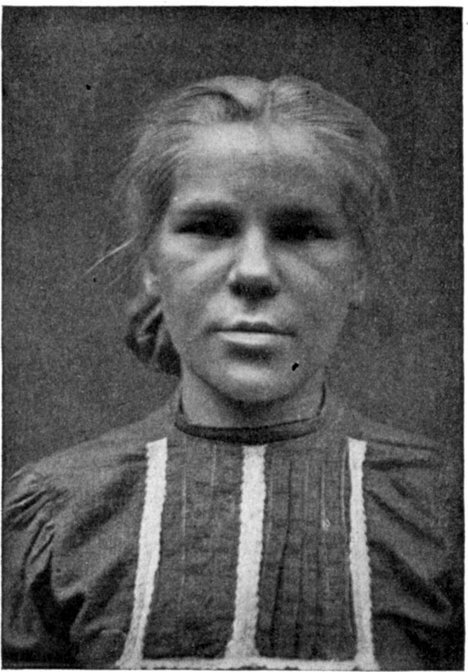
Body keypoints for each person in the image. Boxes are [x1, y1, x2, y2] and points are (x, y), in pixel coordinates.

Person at [3, 76, 462, 670]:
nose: (254, 272)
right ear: (150, 263)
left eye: (302, 232)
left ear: (359, 271)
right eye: (209, 228)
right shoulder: (59, 516)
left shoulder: (443, 514)